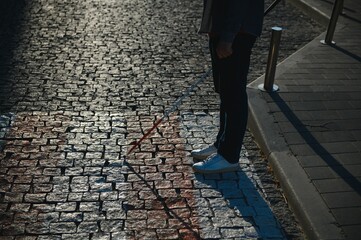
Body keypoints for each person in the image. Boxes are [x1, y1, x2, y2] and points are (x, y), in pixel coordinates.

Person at [192, 0, 264, 173]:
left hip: (235, 32)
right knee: (226, 91)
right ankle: (221, 145)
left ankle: (229, 155)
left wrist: (228, 36)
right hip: (226, 28)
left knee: (233, 93)